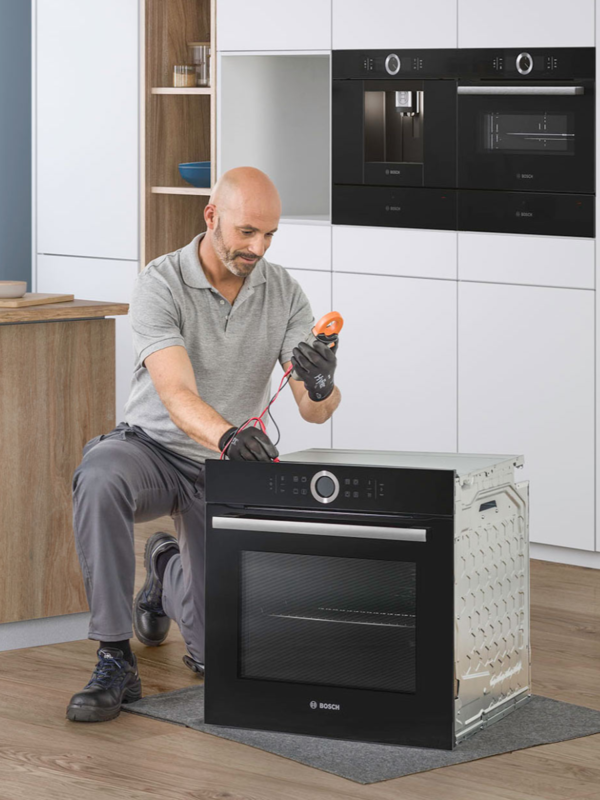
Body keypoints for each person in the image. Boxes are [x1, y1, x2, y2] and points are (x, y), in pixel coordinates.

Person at [66, 167, 341, 722]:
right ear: (211, 217)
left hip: (224, 467)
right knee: (99, 475)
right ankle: (115, 656)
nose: (257, 248)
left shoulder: (283, 291)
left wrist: (320, 381)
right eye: (246, 233)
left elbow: (315, 412)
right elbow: (175, 392)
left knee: (216, 656)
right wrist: (229, 435)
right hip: (152, 449)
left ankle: (163, 567)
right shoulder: (160, 282)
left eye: (268, 236)